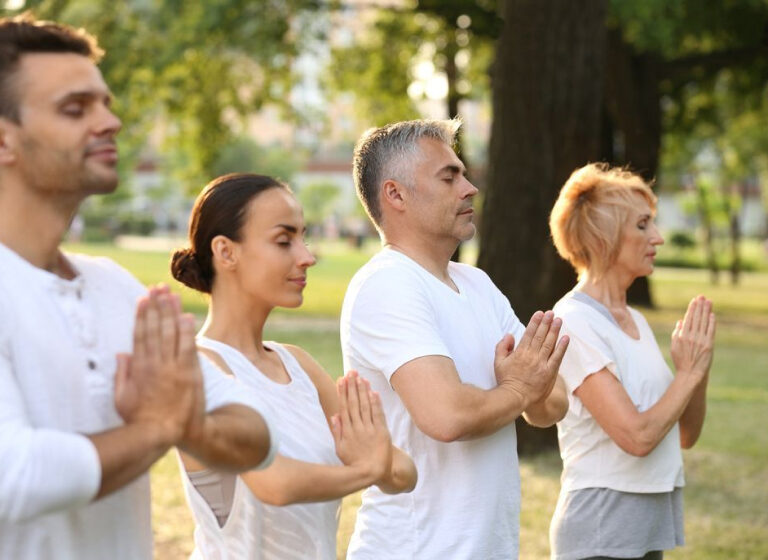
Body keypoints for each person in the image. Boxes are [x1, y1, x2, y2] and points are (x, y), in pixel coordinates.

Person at [0, 15, 276, 560]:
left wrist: (185, 422)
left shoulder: (115, 287)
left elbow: (257, 432)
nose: (112, 121)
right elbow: (16, 477)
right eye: (75, 109)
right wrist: (165, 426)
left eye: (105, 103)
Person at [340, 119, 570, 559]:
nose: (469, 188)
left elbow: (554, 403)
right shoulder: (387, 285)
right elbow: (447, 416)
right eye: (449, 176)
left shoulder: (477, 284)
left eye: (464, 174)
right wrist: (519, 388)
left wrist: (522, 391)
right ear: (395, 194)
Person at [170, 173, 417, 559]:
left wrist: (375, 458)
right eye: (284, 241)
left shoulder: (297, 363)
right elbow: (274, 482)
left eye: (303, 238)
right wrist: (367, 470)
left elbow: (404, 473)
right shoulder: (196, 369)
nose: (307, 256)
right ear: (225, 252)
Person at [547, 163, 716, 560]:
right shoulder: (575, 320)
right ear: (603, 236)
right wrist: (687, 374)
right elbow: (637, 437)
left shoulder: (634, 320)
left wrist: (697, 371)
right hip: (602, 530)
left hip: (647, 526)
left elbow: (684, 436)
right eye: (642, 225)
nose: (657, 237)